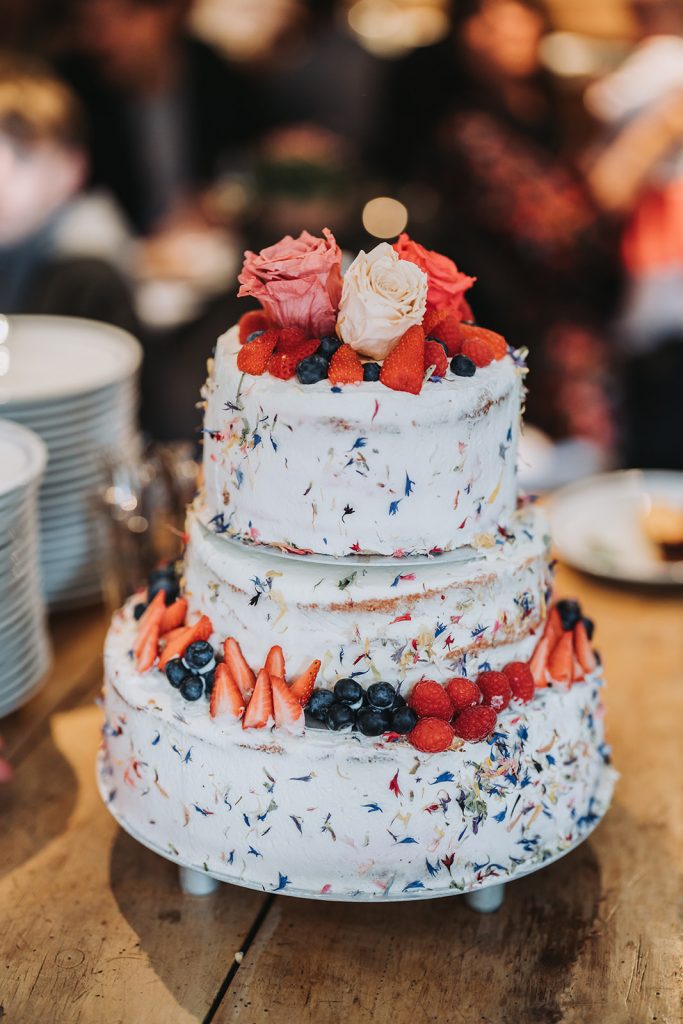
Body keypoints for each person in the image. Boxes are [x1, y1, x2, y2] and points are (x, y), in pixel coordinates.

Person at [60, 0, 265, 236]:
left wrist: (220, 202)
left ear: (168, 14)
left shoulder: (221, 79)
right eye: (89, 24)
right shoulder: (75, 95)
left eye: (123, 19)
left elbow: (251, 165)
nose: (103, 40)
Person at [0, 53, 137, 331]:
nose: (1, 176)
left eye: (23, 157)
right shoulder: (17, 241)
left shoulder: (85, 282)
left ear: (71, 171)